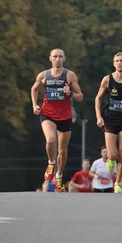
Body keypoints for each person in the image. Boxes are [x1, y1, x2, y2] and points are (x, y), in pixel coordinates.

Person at [31, 48, 84, 192]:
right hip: (47, 113)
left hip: (65, 116)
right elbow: (34, 89)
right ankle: (51, 163)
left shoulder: (70, 75)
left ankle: (59, 177)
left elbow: (80, 96)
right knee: (50, 140)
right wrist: (34, 104)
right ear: (50, 58)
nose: (57, 59)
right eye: (55, 56)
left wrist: (70, 93)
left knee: (63, 150)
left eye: (60, 56)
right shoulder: (43, 75)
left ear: (64, 59)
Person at [95, 52, 122, 194]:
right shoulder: (107, 80)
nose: (119, 63)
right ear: (114, 63)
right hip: (109, 120)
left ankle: (118, 182)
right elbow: (97, 98)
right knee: (112, 155)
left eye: (121, 61)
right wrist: (98, 117)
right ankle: (111, 161)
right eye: (116, 61)